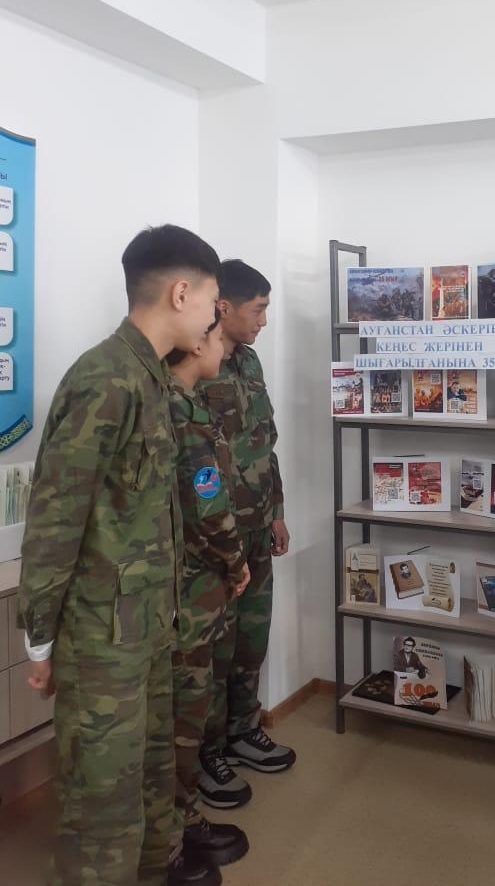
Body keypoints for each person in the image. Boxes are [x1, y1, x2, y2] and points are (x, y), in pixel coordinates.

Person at [18, 225, 221, 886]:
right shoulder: (105, 380)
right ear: (182, 293)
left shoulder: (150, 378)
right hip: (102, 638)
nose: (214, 317)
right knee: (101, 806)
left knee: (151, 778)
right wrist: (41, 638)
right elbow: (56, 518)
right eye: (212, 300)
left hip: (147, 626)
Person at [198, 260, 295, 810]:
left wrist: (277, 510)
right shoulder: (193, 362)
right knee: (215, 650)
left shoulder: (249, 361)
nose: (263, 320)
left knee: (251, 643)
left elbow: (264, 443)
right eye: (257, 309)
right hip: (219, 539)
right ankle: (207, 751)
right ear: (224, 306)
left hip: (259, 528)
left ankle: (241, 731)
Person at [167, 314, 252, 886]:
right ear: (199, 343)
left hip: (194, 588)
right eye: (218, 338)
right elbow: (207, 507)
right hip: (191, 589)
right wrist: (235, 559)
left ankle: (182, 815)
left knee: (190, 707)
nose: (225, 349)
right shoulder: (182, 413)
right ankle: (175, 826)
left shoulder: (186, 404)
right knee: (183, 712)